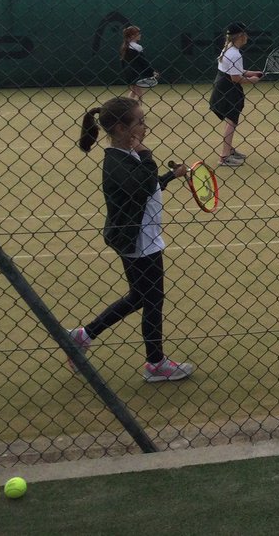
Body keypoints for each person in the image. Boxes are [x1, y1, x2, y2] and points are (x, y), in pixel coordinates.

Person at [68, 96, 194, 382]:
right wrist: (147, 153)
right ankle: (155, 363)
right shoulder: (117, 162)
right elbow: (143, 183)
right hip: (139, 242)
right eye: (140, 122)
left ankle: (84, 335)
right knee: (153, 300)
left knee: (141, 297)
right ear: (122, 130)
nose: (145, 126)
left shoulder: (126, 156)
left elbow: (146, 188)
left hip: (141, 238)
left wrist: (171, 176)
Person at [208, 22, 262, 167]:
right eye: (246, 34)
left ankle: (229, 150)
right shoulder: (234, 54)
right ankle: (224, 157)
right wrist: (252, 80)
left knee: (230, 121)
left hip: (224, 88)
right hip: (228, 90)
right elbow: (236, 78)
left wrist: (251, 73)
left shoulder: (229, 49)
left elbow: (236, 71)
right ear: (241, 36)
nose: (247, 36)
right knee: (231, 122)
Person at [120, 25, 157, 100]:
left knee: (133, 91)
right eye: (138, 34)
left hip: (128, 73)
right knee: (139, 94)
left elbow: (123, 63)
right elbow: (143, 62)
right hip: (135, 73)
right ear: (133, 36)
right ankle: (137, 109)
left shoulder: (124, 47)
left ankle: (128, 107)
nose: (140, 35)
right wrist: (152, 71)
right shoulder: (138, 47)